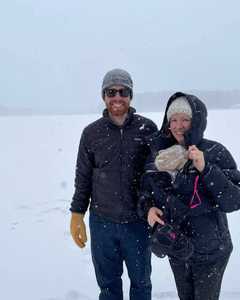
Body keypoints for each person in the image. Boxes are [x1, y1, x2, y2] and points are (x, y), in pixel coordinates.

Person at [138, 92, 240, 300]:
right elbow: (145, 191)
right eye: (174, 120)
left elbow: (236, 199)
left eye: (185, 119)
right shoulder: (158, 155)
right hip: (177, 247)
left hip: (211, 250)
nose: (179, 125)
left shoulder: (214, 152)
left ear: (196, 121)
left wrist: (206, 168)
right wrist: (148, 209)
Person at [70, 68, 157, 300]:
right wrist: (77, 213)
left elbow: (157, 176)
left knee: (141, 284)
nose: (117, 97)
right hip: (102, 223)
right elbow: (83, 177)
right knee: (108, 287)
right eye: (111, 91)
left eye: (123, 91)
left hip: (137, 222)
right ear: (103, 96)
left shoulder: (147, 129)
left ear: (130, 95)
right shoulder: (91, 133)